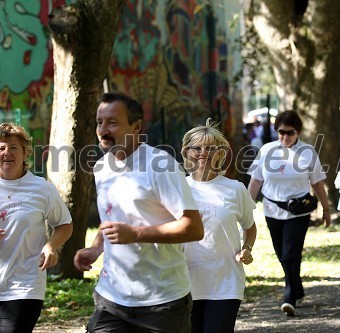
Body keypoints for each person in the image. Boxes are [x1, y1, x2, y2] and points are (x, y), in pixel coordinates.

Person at [73, 92, 204, 333]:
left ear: (136, 127)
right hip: (111, 299)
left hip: (161, 301)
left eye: (112, 122)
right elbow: (111, 218)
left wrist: (136, 233)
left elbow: (193, 227)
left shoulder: (160, 166)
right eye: (99, 122)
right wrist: (96, 247)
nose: (103, 129)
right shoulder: (102, 168)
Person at [247, 110, 330, 316]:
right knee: (281, 255)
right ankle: (298, 287)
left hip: (298, 212)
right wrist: (246, 208)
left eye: (290, 133)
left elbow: (317, 183)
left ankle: (290, 296)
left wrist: (326, 209)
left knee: (290, 254)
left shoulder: (308, 152)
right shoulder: (266, 150)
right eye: (281, 132)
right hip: (272, 210)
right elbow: (256, 180)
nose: (285, 137)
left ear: (298, 131)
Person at [181, 120, 257, 333]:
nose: (204, 153)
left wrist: (247, 248)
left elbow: (249, 226)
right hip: (184, 281)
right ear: (187, 152)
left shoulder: (234, 189)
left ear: (220, 153)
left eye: (211, 148)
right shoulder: (177, 187)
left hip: (225, 281)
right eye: (197, 147)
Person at [0, 123, 73, 332]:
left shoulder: (41, 188)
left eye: (13, 147)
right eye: (1, 148)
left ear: (25, 153)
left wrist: (51, 245)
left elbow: (64, 224)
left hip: (24, 285)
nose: (7, 153)